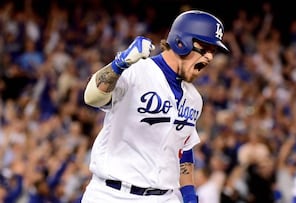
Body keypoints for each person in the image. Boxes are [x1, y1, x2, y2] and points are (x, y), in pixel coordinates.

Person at [81, 10, 229, 203]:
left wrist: (189, 195)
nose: (210, 57)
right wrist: (119, 64)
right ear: (180, 41)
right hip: (111, 194)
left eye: (213, 51)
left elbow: (182, 150)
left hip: (163, 197)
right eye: (205, 47)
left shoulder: (194, 99)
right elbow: (92, 97)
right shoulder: (137, 70)